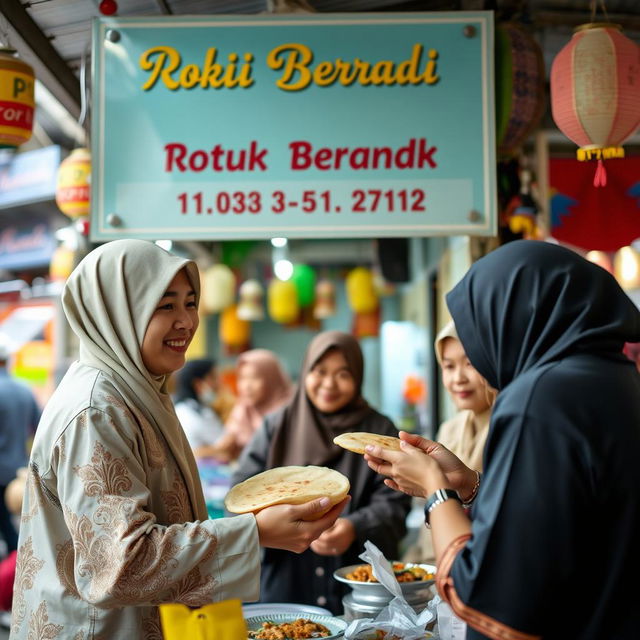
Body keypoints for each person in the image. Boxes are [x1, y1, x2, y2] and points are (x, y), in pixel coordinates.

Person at [10, 239, 347, 640]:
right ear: (118, 311)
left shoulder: (134, 391)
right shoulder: (97, 412)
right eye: (166, 305)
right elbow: (119, 566)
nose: (187, 321)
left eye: (190, 303)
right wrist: (254, 534)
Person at [364, 240, 640, 640]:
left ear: (511, 317)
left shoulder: (539, 397)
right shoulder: (615, 380)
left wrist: (435, 490)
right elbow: (570, 513)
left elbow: (483, 593)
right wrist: (468, 484)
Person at [230, 330, 411, 613]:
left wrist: (354, 527)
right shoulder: (276, 427)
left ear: (358, 377)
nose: (329, 384)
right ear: (306, 372)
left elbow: (396, 502)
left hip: (359, 588)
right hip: (287, 584)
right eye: (320, 371)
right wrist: (276, 523)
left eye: (343, 374)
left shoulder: (378, 430)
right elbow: (240, 495)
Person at [403, 320, 494, 564]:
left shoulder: (510, 427)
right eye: (448, 366)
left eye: (470, 363)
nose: (458, 378)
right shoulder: (450, 429)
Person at [0, 342, 40, 556]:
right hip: (17, 471)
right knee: (15, 527)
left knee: (7, 528)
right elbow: (40, 428)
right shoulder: (25, 390)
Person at [218, 349, 292, 460]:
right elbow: (224, 445)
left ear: (271, 379)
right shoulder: (242, 409)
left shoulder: (289, 412)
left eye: (254, 378)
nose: (246, 386)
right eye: (242, 378)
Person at [173, 358, 226, 459]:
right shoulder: (198, 412)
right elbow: (224, 445)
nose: (219, 383)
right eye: (214, 378)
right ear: (198, 384)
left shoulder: (181, 408)